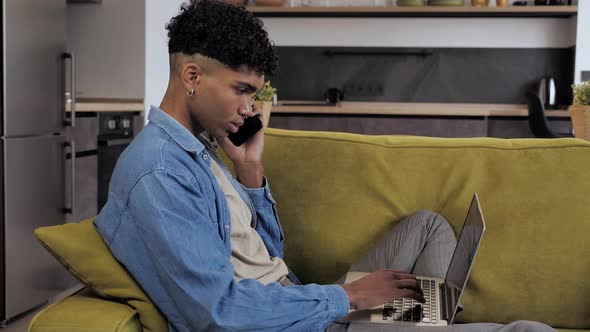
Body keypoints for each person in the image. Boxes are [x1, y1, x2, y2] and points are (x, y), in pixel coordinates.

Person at [94, 1, 555, 331]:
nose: (249, 108)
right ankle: (418, 322)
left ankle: (422, 320)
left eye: (254, 94)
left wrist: (251, 174)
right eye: (241, 90)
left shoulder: (204, 149)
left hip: (299, 302)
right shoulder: (159, 172)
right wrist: (351, 297)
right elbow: (216, 313)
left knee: (428, 227)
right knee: (526, 330)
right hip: (290, 320)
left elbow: (269, 259)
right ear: (192, 76)